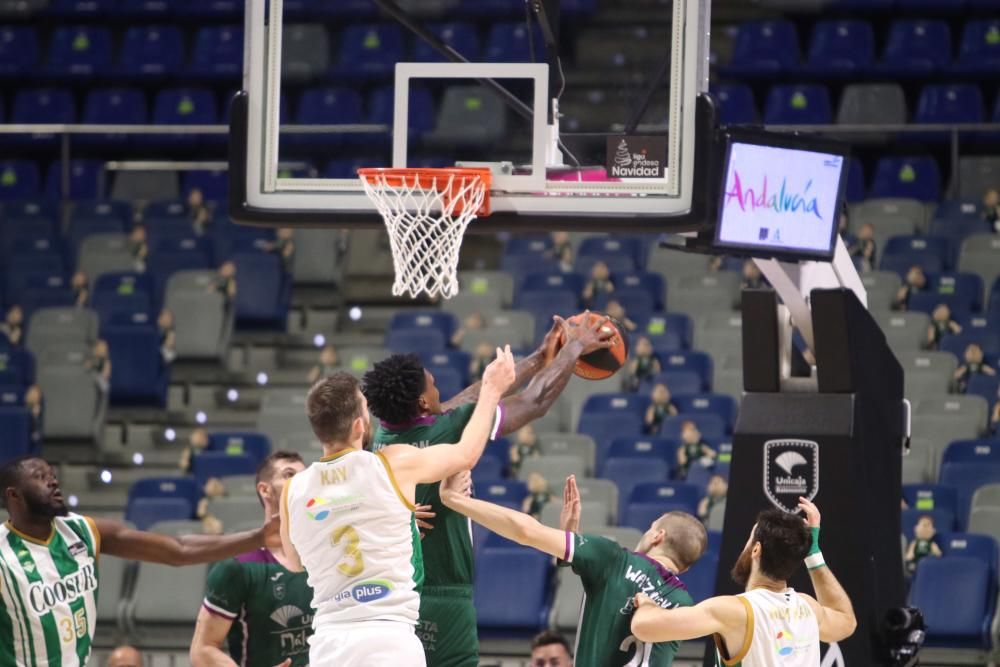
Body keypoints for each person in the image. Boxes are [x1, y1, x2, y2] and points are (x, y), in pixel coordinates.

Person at [364, 315, 614, 667]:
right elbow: (535, 402)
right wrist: (574, 348)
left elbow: (461, 403)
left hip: (393, 598)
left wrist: (539, 357)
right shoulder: (449, 432)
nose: (439, 391)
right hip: (445, 597)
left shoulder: (384, 440)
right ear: (422, 403)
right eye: (433, 385)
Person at [279, 348, 517, 666]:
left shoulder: (292, 490)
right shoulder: (392, 463)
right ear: (359, 426)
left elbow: (294, 562)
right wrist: (491, 389)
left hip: (330, 643)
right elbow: (466, 454)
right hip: (389, 640)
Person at [0, 455, 279, 666]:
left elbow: (177, 549)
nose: (53, 480)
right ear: (14, 495)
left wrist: (257, 538)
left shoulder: (82, 531)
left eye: (52, 474)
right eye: (40, 477)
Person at [440, 473, 706, 667]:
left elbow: (526, 531)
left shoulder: (613, 558)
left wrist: (454, 499)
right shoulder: (686, 606)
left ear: (657, 536)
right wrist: (570, 537)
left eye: (650, 527)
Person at [630, 499, 857, 666]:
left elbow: (645, 628)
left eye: (750, 540)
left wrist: (647, 602)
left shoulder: (734, 611)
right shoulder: (808, 608)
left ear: (756, 550)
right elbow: (846, 622)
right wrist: (813, 553)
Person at [191, 451, 314, 667]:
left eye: (305, 476)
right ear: (265, 490)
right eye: (289, 474)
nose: (301, 482)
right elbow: (202, 650)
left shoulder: (324, 556)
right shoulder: (237, 567)